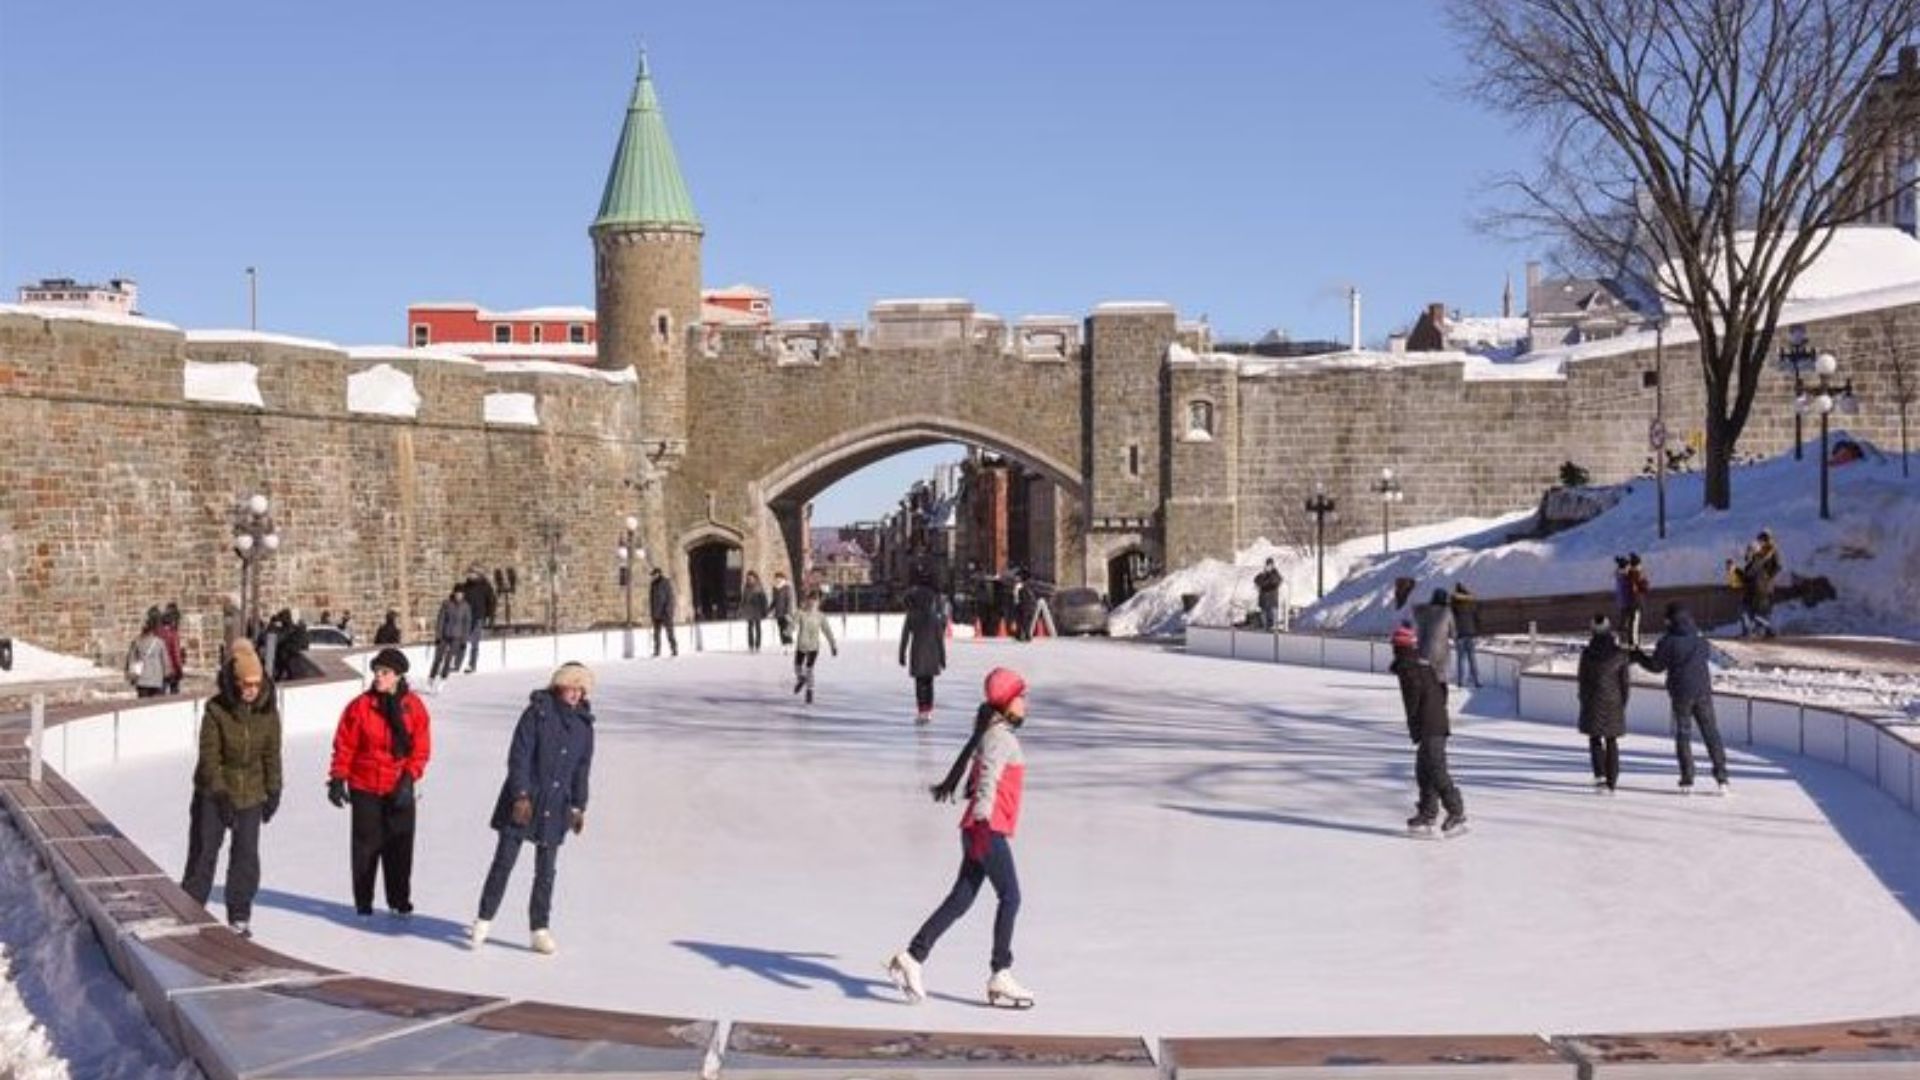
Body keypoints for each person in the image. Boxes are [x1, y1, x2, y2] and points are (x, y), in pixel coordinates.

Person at [886, 667, 1036, 1009]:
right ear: (1006, 702)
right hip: (986, 828)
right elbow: (987, 781)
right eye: (1021, 697)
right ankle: (1001, 972)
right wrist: (985, 819)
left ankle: (913, 956)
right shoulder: (1000, 738)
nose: (1026, 703)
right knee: (1010, 896)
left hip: (976, 828)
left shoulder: (991, 733)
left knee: (961, 899)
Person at [470, 662, 596, 956]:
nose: (575, 694)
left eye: (581, 689)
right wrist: (521, 795)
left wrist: (579, 806)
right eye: (571, 687)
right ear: (558, 686)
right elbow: (519, 756)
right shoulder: (538, 712)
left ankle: (539, 929)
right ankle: (484, 918)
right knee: (504, 862)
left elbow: (582, 768)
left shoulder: (584, 726)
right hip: (525, 801)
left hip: (557, 805)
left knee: (546, 872)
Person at [182, 640, 282, 937]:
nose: (251, 689)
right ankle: (191, 908)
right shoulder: (216, 711)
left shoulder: (268, 711)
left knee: (246, 855)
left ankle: (239, 914)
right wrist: (220, 793)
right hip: (214, 793)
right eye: (245, 684)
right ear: (235, 682)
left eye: (256, 683)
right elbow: (209, 758)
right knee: (204, 852)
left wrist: (274, 789)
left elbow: (271, 754)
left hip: (250, 791)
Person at [327, 648, 432, 916]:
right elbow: (345, 745)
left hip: (399, 785)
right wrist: (338, 777)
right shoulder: (360, 706)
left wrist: (409, 778)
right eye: (376, 671)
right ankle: (364, 902)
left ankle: (399, 900)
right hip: (365, 785)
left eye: (384, 672)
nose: (378, 677)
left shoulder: (413, 707)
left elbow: (421, 748)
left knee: (399, 846)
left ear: (397, 676)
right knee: (365, 847)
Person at [1630, 602, 1730, 795]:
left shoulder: (1668, 641)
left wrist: (1638, 656)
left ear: (1670, 620)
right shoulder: (1700, 640)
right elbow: (1711, 657)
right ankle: (1722, 777)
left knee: (1683, 735)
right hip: (1703, 692)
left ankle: (1687, 778)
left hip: (1681, 694)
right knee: (1711, 733)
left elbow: (1656, 666)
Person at [1388, 623, 1466, 837]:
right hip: (1435, 722)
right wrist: (1437, 711)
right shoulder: (1421, 663)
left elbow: (1412, 700)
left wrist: (1417, 725)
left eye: (1394, 646)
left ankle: (1456, 813)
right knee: (1424, 770)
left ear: (1399, 647)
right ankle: (1428, 813)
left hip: (1430, 725)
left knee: (1436, 770)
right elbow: (1442, 688)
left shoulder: (1407, 667)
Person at [1576, 615, 1631, 794]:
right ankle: (1612, 780)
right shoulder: (1620, 654)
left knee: (1595, 738)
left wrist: (1583, 699)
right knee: (1611, 739)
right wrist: (1622, 702)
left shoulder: (1587, 653)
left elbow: (1582, 679)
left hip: (1592, 699)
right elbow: (1625, 683)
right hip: (1614, 701)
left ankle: (1600, 776)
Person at [899, 574, 948, 724]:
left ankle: (922, 710)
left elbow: (905, 636)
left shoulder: (911, 616)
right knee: (929, 683)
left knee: (919, 684)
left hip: (917, 653)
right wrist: (942, 658)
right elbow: (940, 639)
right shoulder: (934, 617)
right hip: (932, 653)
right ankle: (929, 710)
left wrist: (902, 654)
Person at [790, 590, 838, 705]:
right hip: (801, 645)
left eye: (815, 601)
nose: (812, 603)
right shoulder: (800, 613)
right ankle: (801, 679)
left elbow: (827, 631)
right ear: (807, 601)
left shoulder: (821, 616)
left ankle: (810, 691)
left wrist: (833, 645)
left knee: (809, 669)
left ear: (818, 603)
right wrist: (788, 631)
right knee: (797, 668)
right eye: (810, 600)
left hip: (813, 647)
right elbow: (793, 624)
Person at [1740, 530, 1781, 638]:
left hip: (1761, 586)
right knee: (1754, 611)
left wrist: (1768, 577)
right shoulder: (1758, 554)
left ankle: (1765, 630)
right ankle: (1760, 631)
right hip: (1758, 586)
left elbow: (1777, 567)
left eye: (1762, 539)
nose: (1760, 541)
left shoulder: (1770, 552)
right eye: (1760, 540)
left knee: (1754, 611)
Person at [431, 587, 471, 690]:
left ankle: (443, 679)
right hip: (445, 635)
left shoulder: (466, 607)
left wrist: (464, 640)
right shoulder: (447, 604)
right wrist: (438, 636)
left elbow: (466, 624)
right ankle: (432, 677)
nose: (459, 596)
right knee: (438, 658)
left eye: (461, 594)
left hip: (457, 637)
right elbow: (441, 620)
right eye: (457, 594)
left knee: (448, 659)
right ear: (454, 594)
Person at [1413, 588, 1455, 684]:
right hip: (1441, 652)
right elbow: (1453, 633)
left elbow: (1415, 614)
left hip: (1422, 650)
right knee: (1440, 680)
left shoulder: (1423, 611)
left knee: (1425, 679)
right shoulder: (1447, 612)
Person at [127, 610, 169, 698]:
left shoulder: (136, 642)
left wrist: (133, 677)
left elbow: (132, 660)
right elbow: (165, 662)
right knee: (157, 707)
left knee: (143, 707)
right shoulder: (160, 643)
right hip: (157, 679)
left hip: (142, 680)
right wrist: (166, 676)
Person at [462, 568, 496, 673]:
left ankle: (472, 665)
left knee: (474, 643)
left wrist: (490, 617)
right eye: (469, 573)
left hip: (478, 617)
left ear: (478, 575)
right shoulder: (465, 587)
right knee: (462, 641)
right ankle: (458, 663)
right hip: (466, 618)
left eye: (473, 574)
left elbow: (491, 602)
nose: (470, 576)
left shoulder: (485, 586)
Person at [1449, 582, 1482, 689]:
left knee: (1461, 659)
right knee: (1472, 658)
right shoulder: (1471, 603)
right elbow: (1477, 617)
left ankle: (1461, 681)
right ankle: (1476, 681)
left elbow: (1451, 615)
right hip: (1470, 633)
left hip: (1459, 634)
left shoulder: (1454, 604)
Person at [1620, 554, 1650, 648]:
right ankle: (1634, 644)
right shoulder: (1637, 574)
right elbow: (1644, 588)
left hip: (1628, 602)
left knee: (1629, 624)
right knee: (1634, 625)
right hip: (1636, 602)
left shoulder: (1627, 574)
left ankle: (1628, 642)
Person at [648, 568, 678, 658]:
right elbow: (652, 600)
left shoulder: (665, 583)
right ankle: (656, 651)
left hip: (665, 613)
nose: (653, 576)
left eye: (654, 574)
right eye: (652, 575)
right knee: (656, 634)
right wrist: (652, 612)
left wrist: (668, 611)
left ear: (659, 574)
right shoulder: (653, 585)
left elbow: (670, 598)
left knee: (670, 633)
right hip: (656, 613)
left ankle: (674, 649)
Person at [158, 603, 185, 694]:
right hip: (172, 670)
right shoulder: (173, 634)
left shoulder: (158, 633)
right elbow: (176, 654)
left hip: (160, 669)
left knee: (160, 695)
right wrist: (179, 669)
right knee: (174, 695)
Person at [742, 571, 769, 655]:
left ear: (755, 578)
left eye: (750, 578)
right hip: (749, 610)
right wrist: (742, 608)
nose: (749, 580)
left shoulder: (759, 587)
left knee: (758, 628)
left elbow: (764, 600)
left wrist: (765, 610)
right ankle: (751, 645)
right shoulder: (746, 587)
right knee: (749, 628)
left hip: (757, 610)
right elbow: (743, 599)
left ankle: (757, 645)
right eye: (748, 578)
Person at [1253, 558, 1283, 631]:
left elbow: (1274, 582)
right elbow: (1257, 580)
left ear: (1272, 566)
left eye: (1269, 565)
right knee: (1263, 623)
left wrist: (1265, 581)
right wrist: (1264, 577)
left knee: (1271, 623)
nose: (1267, 567)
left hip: (1272, 602)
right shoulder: (1262, 575)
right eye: (1267, 565)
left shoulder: (1276, 575)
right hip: (1263, 602)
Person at [771, 571, 796, 650]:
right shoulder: (775, 588)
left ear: (782, 578)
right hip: (778, 612)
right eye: (776, 578)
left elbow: (789, 601)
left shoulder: (787, 587)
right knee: (781, 629)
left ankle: (790, 643)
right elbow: (774, 601)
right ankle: (784, 644)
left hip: (786, 612)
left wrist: (788, 612)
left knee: (786, 629)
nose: (777, 579)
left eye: (779, 578)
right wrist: (769, 609)